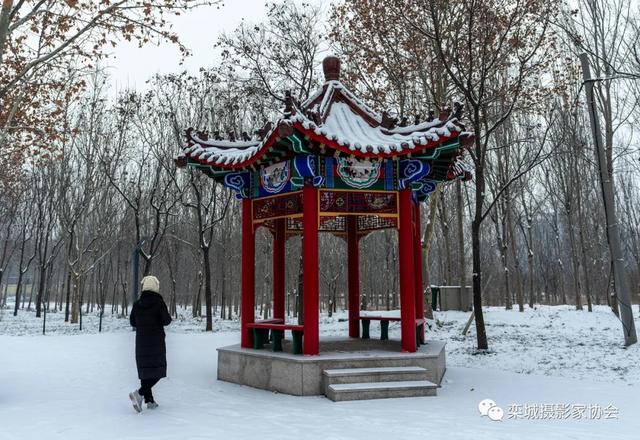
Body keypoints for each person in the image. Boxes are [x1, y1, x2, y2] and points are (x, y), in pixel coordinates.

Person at [128, 275, 172, 413]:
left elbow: (132, 322)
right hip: (156, 342)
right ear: (155, 287)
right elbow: (166, 321)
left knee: (145, 371)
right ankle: (140, 393)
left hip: (141, 342)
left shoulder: (137, 304)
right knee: (158, 371)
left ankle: (150, 401)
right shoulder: (159, 303)